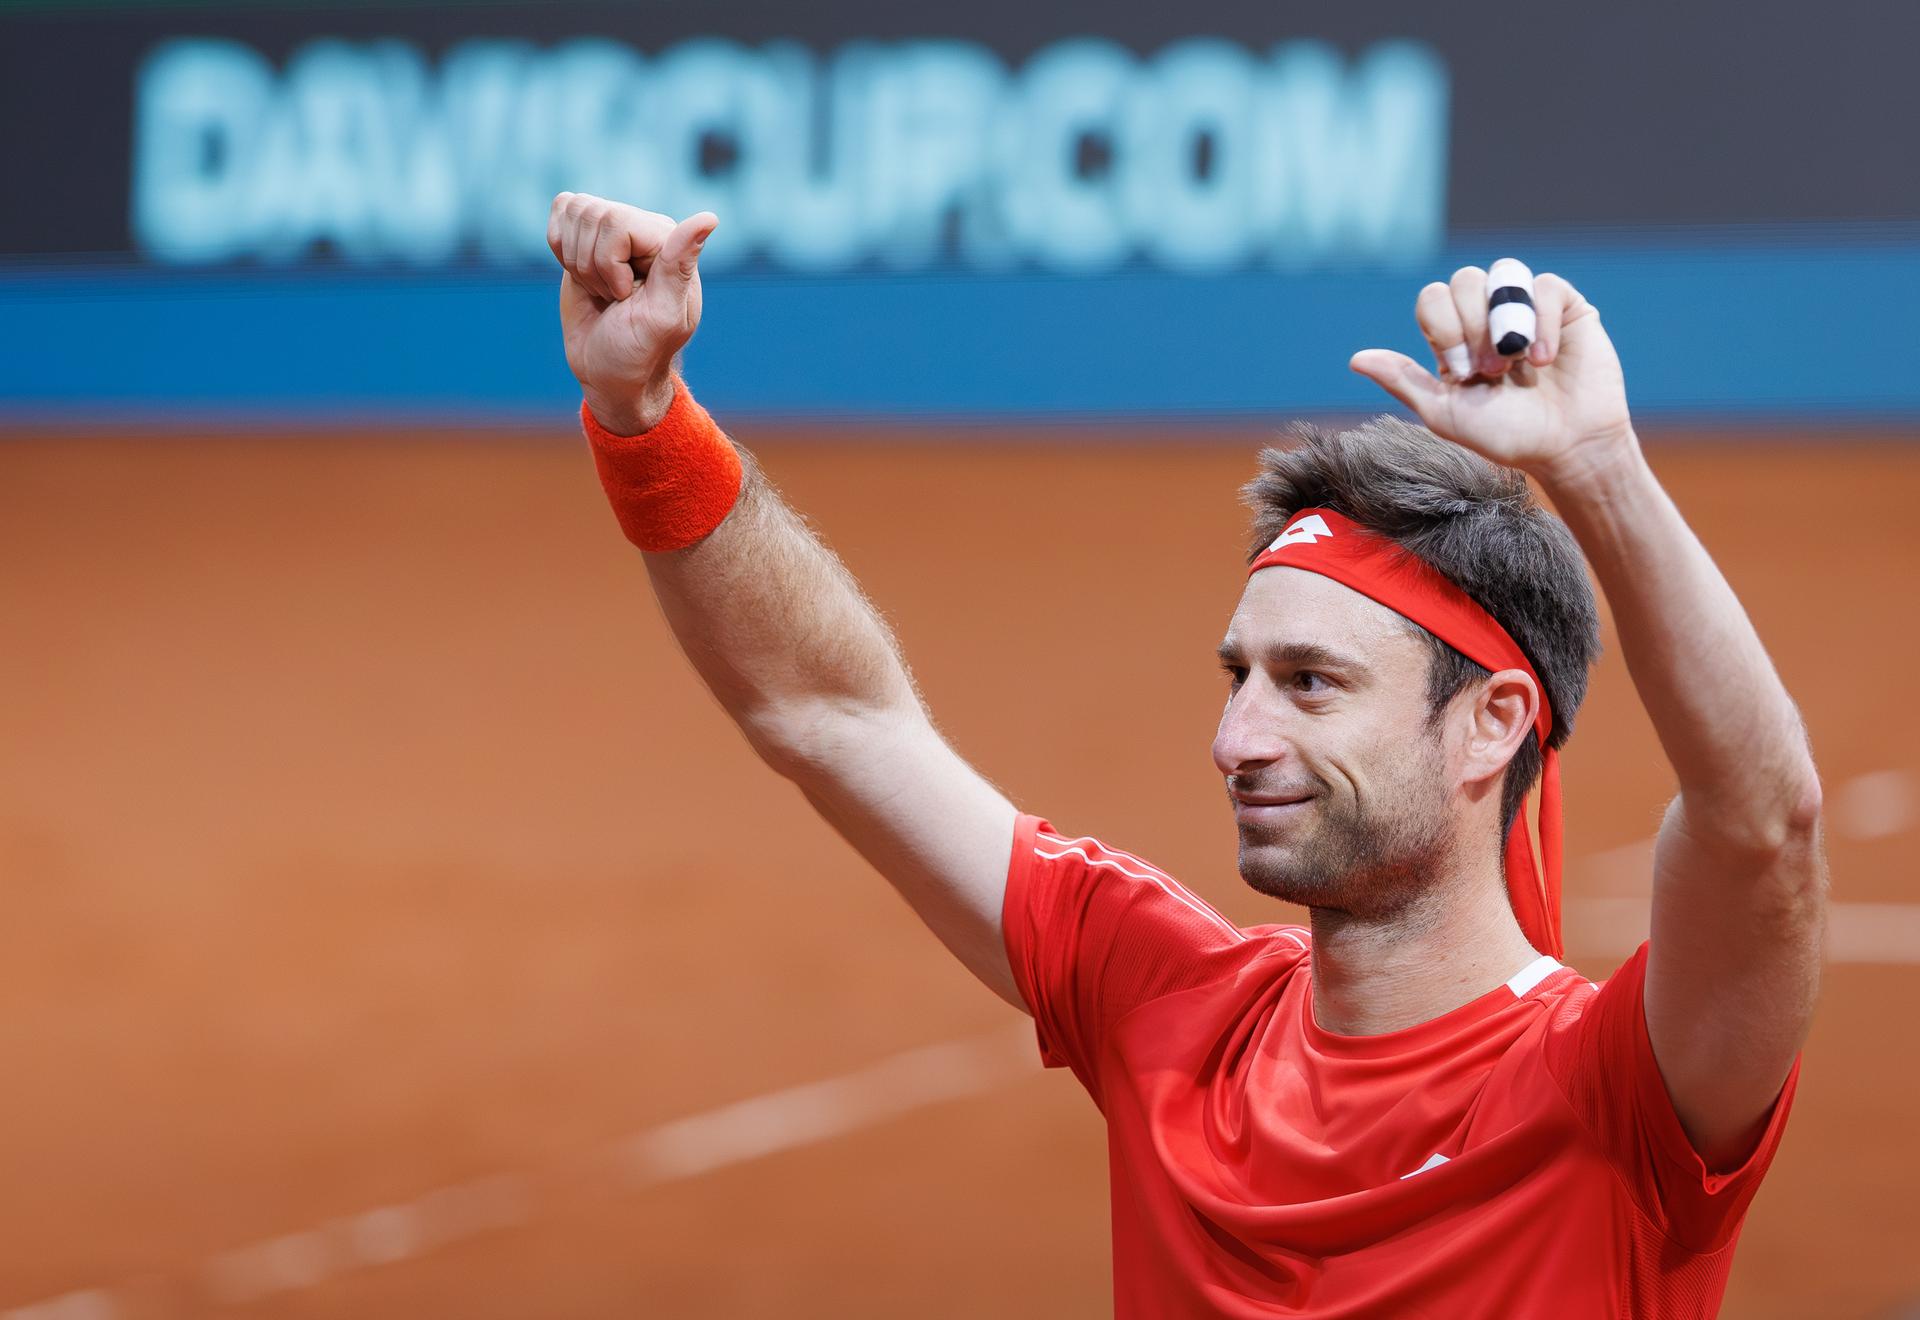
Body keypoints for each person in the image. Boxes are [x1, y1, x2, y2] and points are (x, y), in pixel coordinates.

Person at [545, 192, 1825, 1317]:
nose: (1238, 739)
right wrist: (641, 413)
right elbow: (832, 716)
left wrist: (1595, 466)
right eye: (1241, 678)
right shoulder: (1172, 1010)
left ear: (1493, 721)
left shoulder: (1623, 1095)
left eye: (1312, 685)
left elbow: (1763, 828)